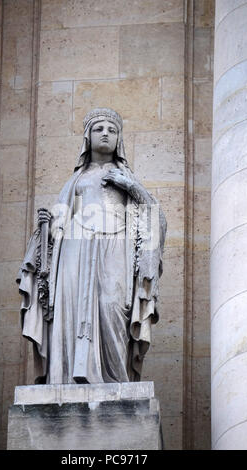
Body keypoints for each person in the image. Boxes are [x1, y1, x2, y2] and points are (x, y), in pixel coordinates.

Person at [17, 108, 167, 384]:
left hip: (116, 245)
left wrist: (131, 187)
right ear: (88, 137)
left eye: (112, 130)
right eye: (99, 129)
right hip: (75, 246)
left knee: (112, 303)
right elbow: (60, 221)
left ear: (119, 139)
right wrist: (47, 225)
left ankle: (114, 378)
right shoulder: (75, 179)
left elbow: (153, 215)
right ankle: (65, 377)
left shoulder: (127, 177)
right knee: (70, 308)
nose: (105, 134)